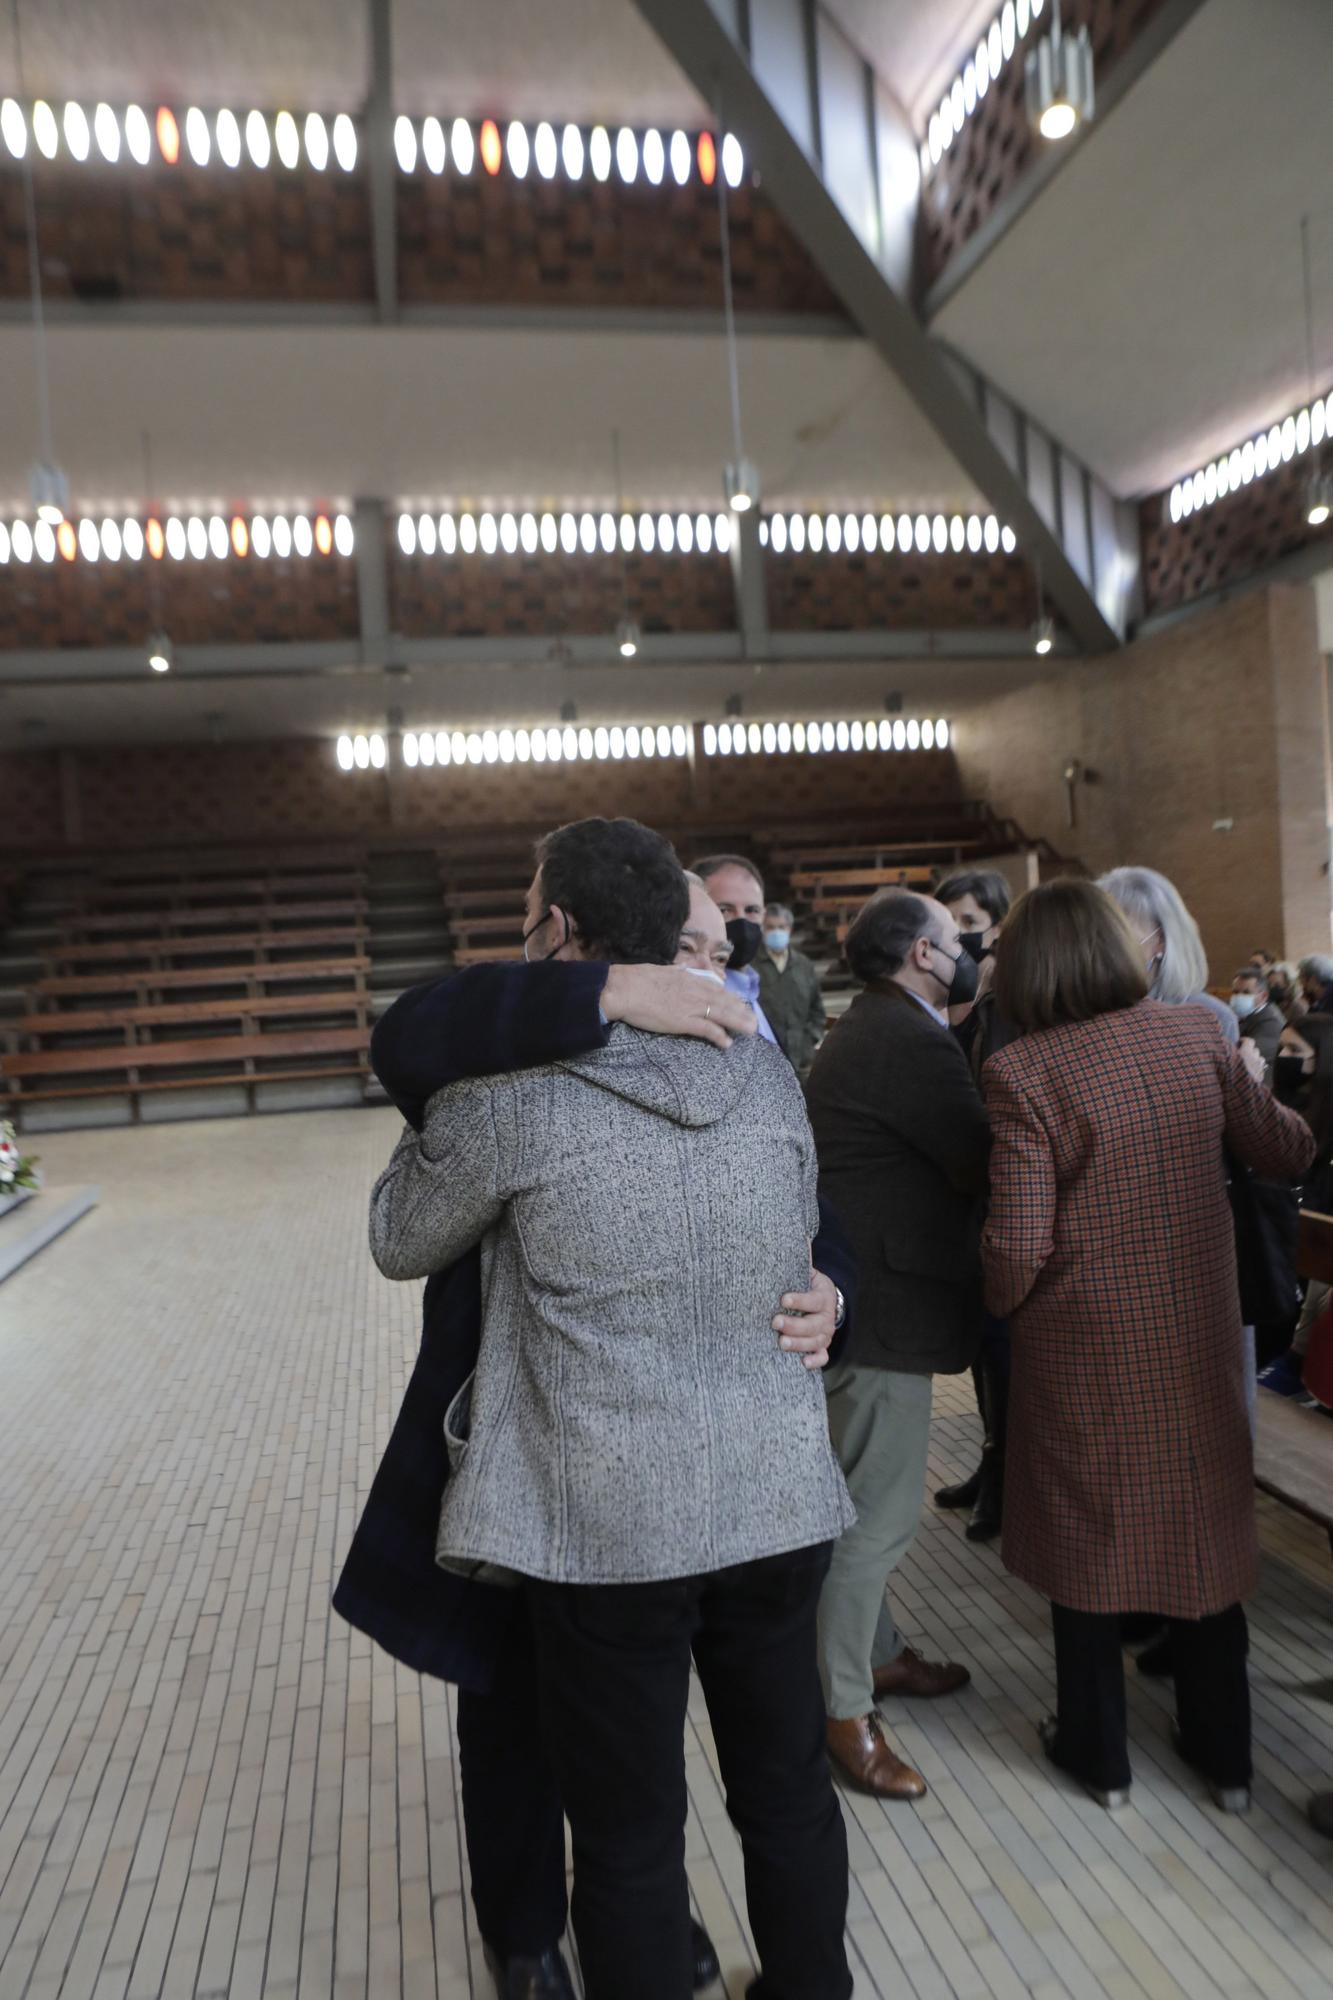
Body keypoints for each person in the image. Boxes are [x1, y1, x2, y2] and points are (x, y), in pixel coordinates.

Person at [338, 873, 855, 1999]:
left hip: (603, 1512)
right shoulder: (765, 1075)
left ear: (560, 932)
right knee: (787, 1788)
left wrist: (836, 1291)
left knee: (627, 1832)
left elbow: (398, 1235)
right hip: (775, 1497)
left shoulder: (510, 1099)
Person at [981, 880, 1313, 1813]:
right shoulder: (1198, 1036)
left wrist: (998, 1304)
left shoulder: (1025, 1072)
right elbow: (1285, 1152)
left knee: (1085, 1532)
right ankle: (1227, 1762)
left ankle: (1099, 1758)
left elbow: (1016, 1241)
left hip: (1081, 1345)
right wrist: (1251, 1080)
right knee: (1203, 1528)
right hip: (1199, 1336)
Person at [805, 888, 989, 1800]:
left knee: (857, 1506)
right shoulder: (910, 1040)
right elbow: (978, 1157)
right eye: (955, 942)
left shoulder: (871, 1026)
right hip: (881, 1310)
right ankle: (842, 1709)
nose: (965, 953)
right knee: (874, 1524)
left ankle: (872, 1659)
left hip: (863, 1298)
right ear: (922, 953)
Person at [933, 869, 1016, 1541]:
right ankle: (989, 1460)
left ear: (995, 922)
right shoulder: (943, 998)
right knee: (982, 1352)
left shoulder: (1007, 999)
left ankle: (1007, 1477)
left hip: (1000, 1190)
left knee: (1005, 1344)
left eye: (969, 920)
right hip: (958, 1194)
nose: (957, 934)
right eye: (947, 921)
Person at [1099, 866, 1239, 1044]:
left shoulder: (1213, 1019)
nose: (1103, 949)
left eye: (1119, 936)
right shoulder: (1082, 1011)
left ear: (1161, 941)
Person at [691, 853, 778, 1043]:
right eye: (725, 910)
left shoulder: (757, 989)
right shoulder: (691, 999)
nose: (742, 921)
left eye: (752, 910)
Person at [755, 901, 826, 1071]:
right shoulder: (751, 966)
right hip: (763, 1063)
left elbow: (817, 1010)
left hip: (800, 1061)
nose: (776, 932)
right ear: (762, 930)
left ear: (790, 929)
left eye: (781, 926)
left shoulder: (804, 965)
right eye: (770, 927)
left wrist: (809, 1042)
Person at [1230, 965, 1284, 1082]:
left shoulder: (1271, 1023)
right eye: (1235, 992)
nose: (1238, 996)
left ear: (1263, 996)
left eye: (1246, 993)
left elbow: (1245, 1057)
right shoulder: (1243, 1017)